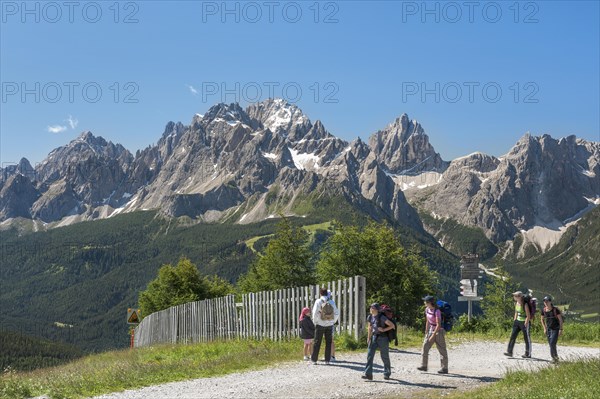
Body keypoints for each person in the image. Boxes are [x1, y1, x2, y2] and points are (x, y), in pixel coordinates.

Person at [362, 303, 395, 380]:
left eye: (372, 308)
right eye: (370, 307)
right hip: (374, 337)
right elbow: (369, 327)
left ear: (376, 310)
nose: (370, 309)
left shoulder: (382, 317)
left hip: (383, 339)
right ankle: (368, 374)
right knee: (369, 355)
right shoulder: (370, 317)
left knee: (384, 357)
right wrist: (368, 338)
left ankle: (387, 373)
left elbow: (392, 325)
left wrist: (383, 329)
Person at [417, 295, 448, 374]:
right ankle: (424, 366)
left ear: (429, 302)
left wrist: (433, 335)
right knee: (425, 346)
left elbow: (438, 324)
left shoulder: (437, 311)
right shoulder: (427, 309)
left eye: (425, 301)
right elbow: (428, 321)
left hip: (439, 331)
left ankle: (444, 368)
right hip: (431, 329)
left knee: (442, 350)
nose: (424, 302)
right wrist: (426, 331)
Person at [311, 287, 339, 365]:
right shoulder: (332, 302)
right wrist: (332, 321)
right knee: (328, 342)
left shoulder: (318, 301)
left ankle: (314, 360)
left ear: (320, 293)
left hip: (320, 324)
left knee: (317, 342)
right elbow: (337, 313)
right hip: (329, 325)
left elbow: (315, 313)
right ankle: (327, 360)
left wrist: (315, 322)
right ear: (327, 293)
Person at [504, 291, 532, 358]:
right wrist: (515, 320)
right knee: (512, 336)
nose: (515, 297)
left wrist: (526, 323)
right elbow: (516, 312)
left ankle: (528, 353)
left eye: (516, 296)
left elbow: (528, 315)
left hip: (524, 322)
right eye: (514, 296)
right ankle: (509, 352)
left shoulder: (525, 305)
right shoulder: (516, 303)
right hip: (517, 322)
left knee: (526, 338)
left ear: (520, 297)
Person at [540, 295, 563, 363]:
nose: (546, 303)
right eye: (544, 301)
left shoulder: (555, 310)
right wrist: (544, 328)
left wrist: (561, 329)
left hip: (555, 329)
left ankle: (554, 358)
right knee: (551, 344)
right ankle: (555, 358)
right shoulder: (543, 310)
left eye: (547, 301)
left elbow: (560, 320)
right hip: (548, 329)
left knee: (552, 343)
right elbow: (542, 319)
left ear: (550, 302)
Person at [327, 289, 337, 361]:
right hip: (331, 323)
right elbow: (336, 313)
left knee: (329, 341)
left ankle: (330, 356)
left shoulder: (322, 301)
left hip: (325, 323)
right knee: (331, 340)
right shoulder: (332, 302)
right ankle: (332, 356)